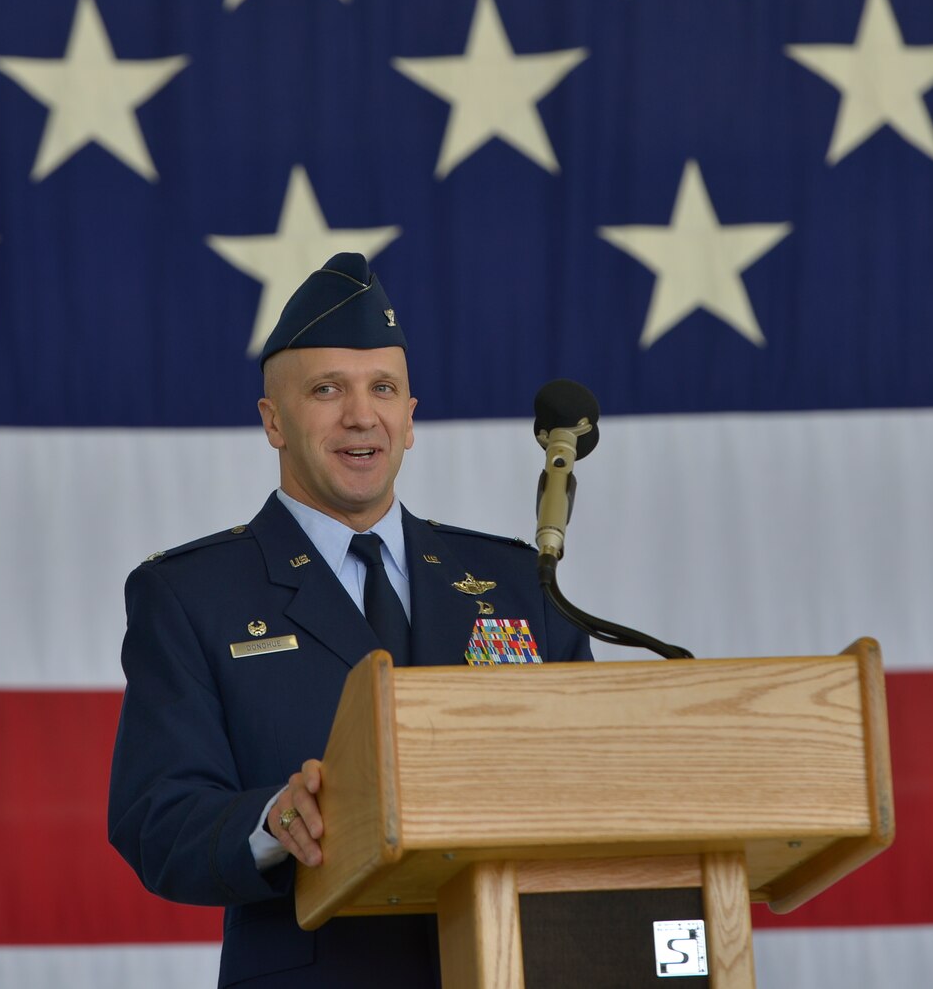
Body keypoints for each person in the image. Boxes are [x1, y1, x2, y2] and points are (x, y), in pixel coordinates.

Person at [107, 252, 593, 987]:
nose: (361, 415)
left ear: (410, 419)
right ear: (273, 421)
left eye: (383, 389)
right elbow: (158, 817)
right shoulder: (191, 595)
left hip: (512, 964)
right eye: (327, 389)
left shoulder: (516, 581)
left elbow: (594, 772)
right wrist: (274, 818)